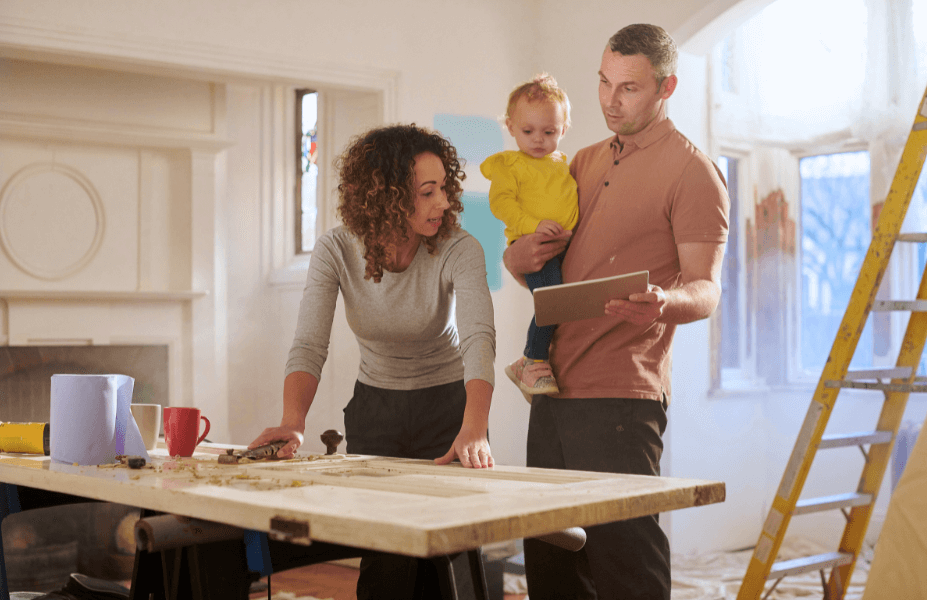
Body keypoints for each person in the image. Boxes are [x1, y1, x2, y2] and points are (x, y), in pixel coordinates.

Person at [503, 24, 729, 600]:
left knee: (624, 560)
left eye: (628, 87)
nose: (610, 99)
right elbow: (537, 265)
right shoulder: (577, 159)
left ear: (666, 87)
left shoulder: (693, 172)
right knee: (551, 562)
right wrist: (517, 255)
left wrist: (662, 304)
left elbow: (706, 289)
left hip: (622, 394)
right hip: (551, 386)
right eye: (604, 82)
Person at [250, 123, 496, 599]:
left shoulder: (460, 248)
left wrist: (476, 426)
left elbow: (479, 339)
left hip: (449, 410)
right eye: (428, 192)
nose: (443, 203)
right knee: (386, 570)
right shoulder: (336, 250)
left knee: (454, 567)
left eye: (444, 188)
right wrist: (293, 421)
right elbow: (308, 343)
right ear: (386, 197)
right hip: (375, 411)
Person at [480, 73, 579, 402]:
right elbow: (502, 205)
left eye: (549, 132)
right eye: (528, 131)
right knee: (552, 302)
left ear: (563, 129)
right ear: (510, 126)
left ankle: (527, 362)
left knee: (563, 304)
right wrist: (533, 225)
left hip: (563, 245)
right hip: (532, 244)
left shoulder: (563, 163)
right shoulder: (509, 165)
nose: (538, 139)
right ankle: (533, 361)